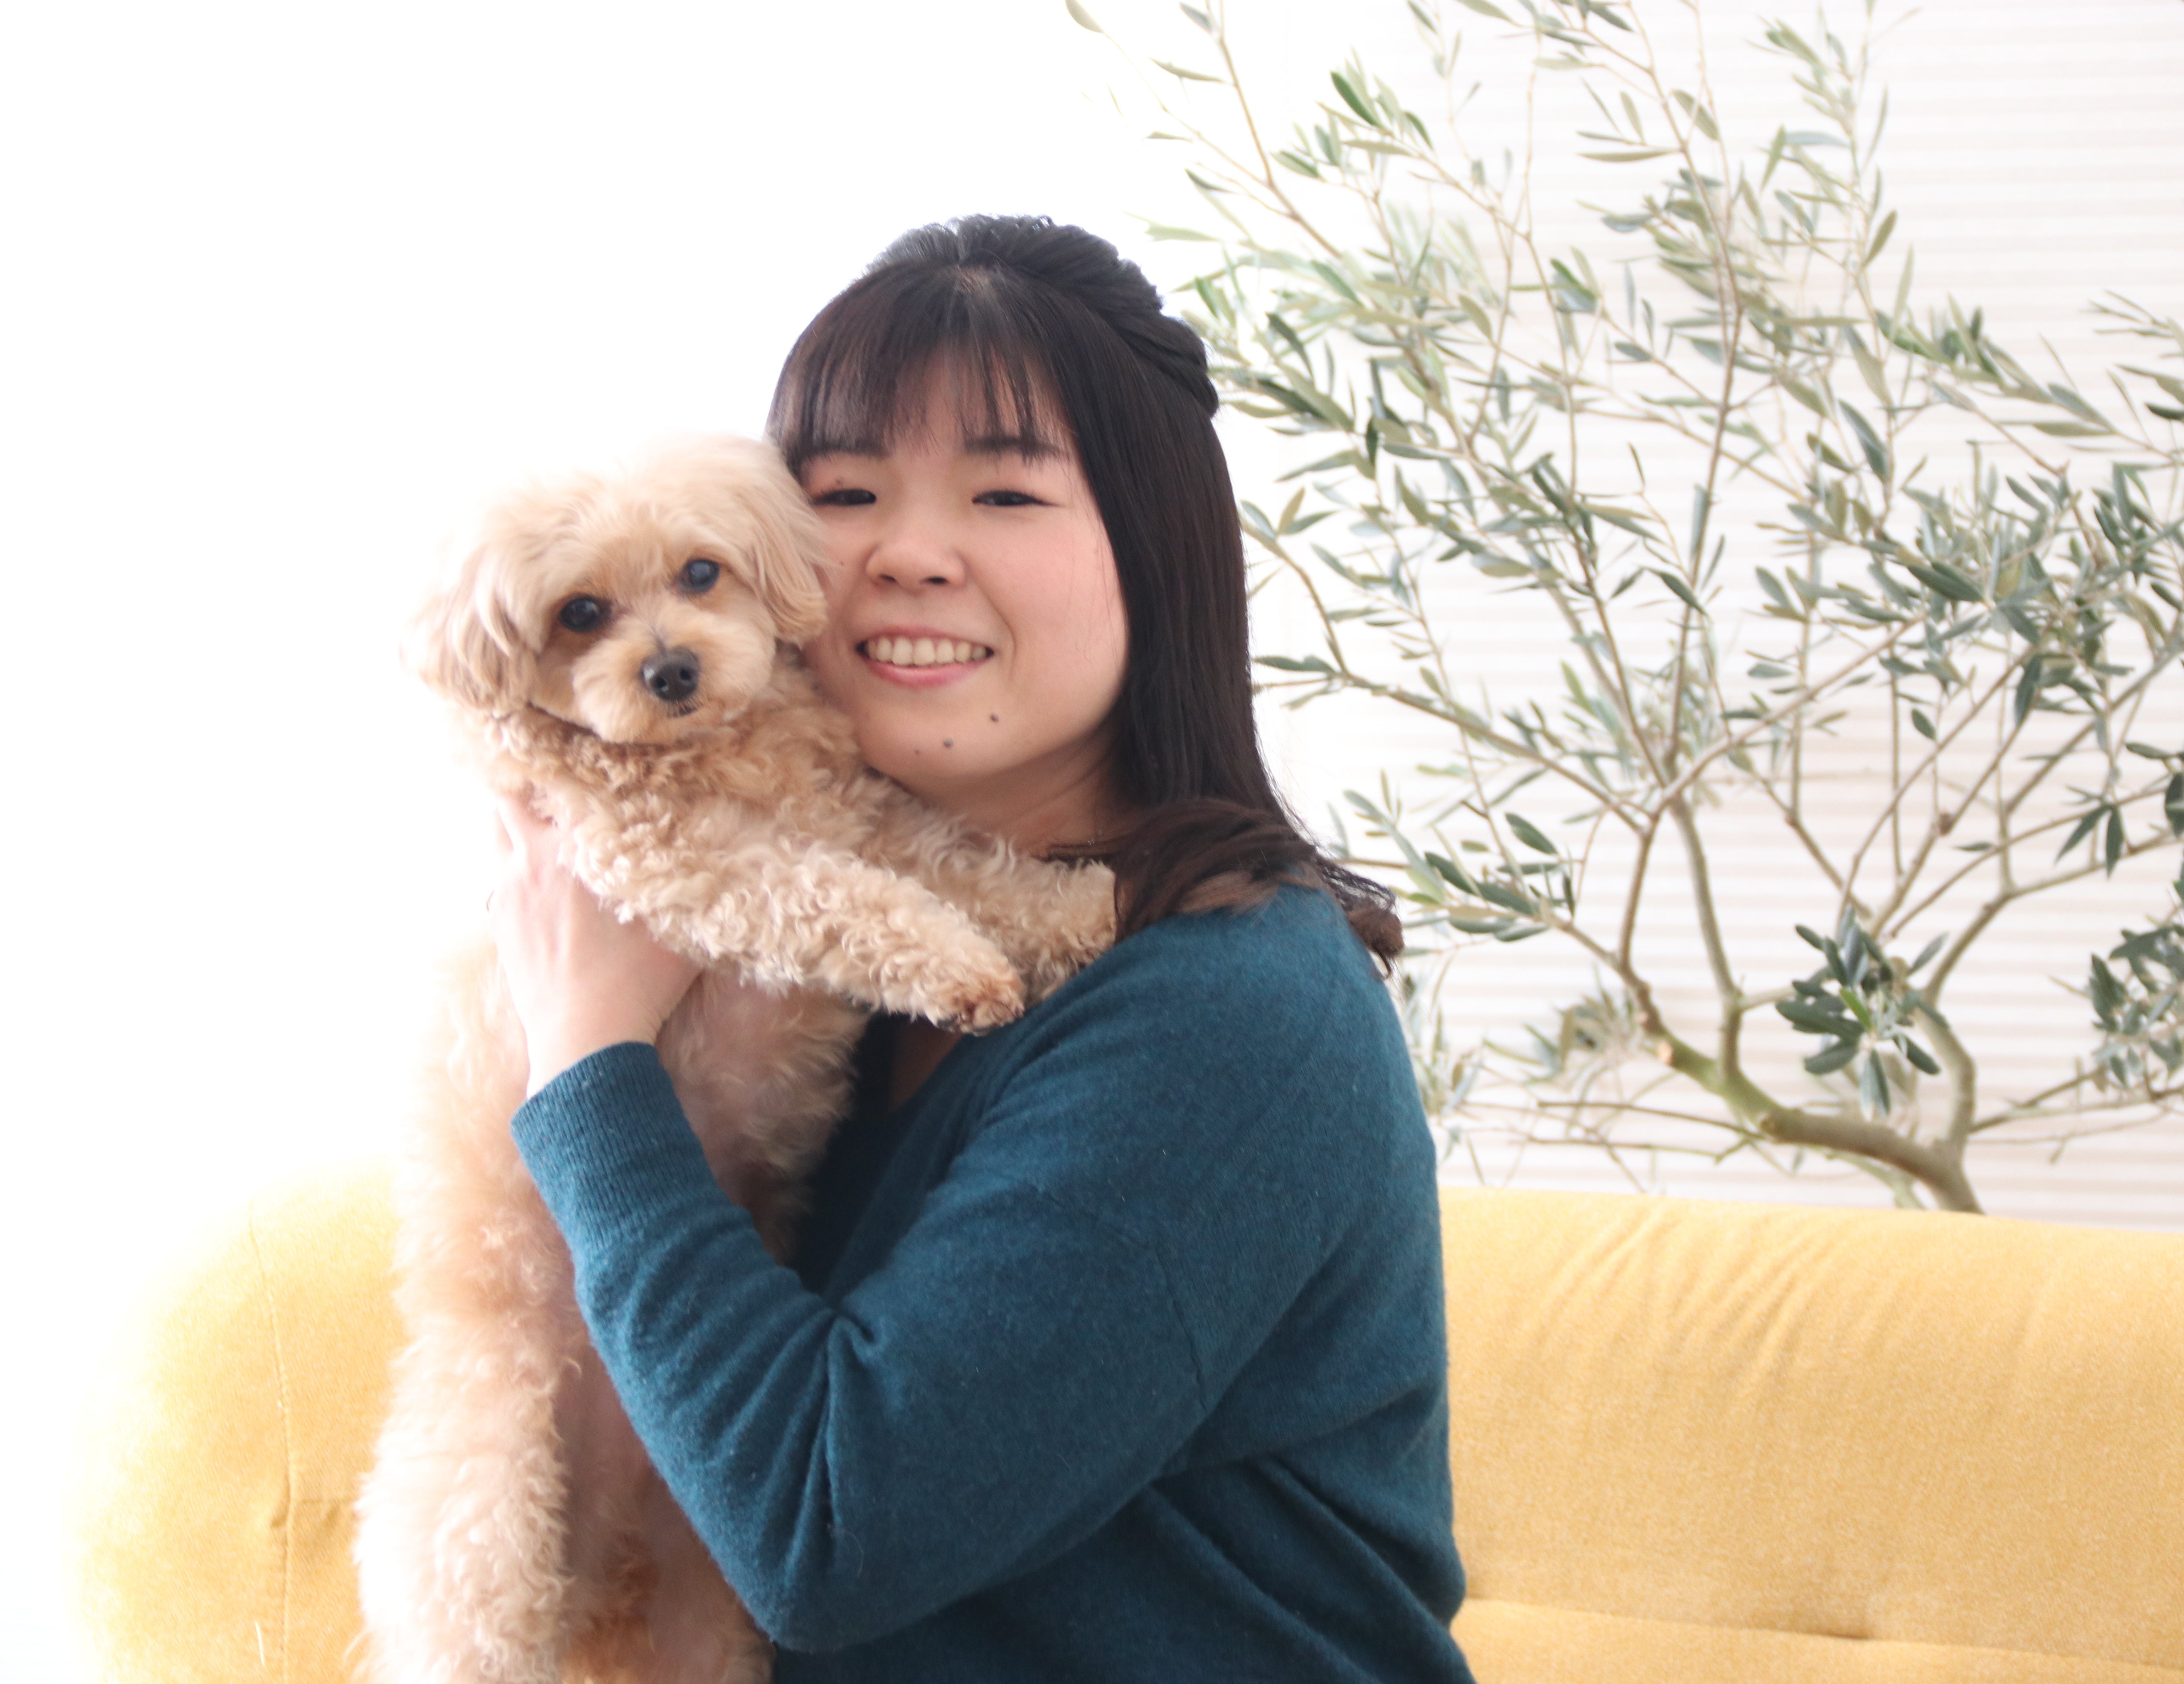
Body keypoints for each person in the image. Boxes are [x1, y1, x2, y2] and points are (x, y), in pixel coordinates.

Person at [488, 214, 1477, 1681]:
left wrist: (586, 1059)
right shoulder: (838, 975)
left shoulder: (1231, 1012)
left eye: (1006, 493)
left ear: (1156, 551)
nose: (908, 554)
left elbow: (830, 1536)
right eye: (846, 493)